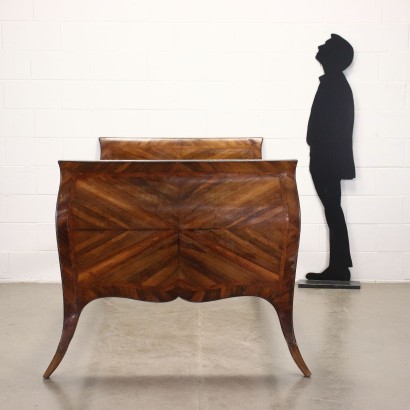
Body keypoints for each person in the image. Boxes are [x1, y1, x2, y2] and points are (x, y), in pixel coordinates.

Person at [305, 34, 355, 281]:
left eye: (325, 46)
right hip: (326, 159)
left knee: (333, 210)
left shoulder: (334, 84)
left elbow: (335, 129)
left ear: (333, 56)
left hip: (327, 161)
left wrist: (320, 152)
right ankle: (339, 266)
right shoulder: (334, 83)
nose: (319, 46)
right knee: (333, 210)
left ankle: (340, 268)